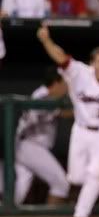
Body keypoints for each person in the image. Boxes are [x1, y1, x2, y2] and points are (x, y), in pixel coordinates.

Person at [36, 24, 99, 217]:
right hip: (81, 131)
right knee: (77, 177)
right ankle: (81, 205)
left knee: (97, 174)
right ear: (92, 64)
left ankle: (80, 216)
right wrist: (46, 40)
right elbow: (60, 57)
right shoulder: (80, 73)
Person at [14, 68, 69, 205]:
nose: (67, 87)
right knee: (61, 184)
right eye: (65, 83)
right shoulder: (43, 96)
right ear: (56, 83)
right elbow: (63, 113)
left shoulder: (42, 93)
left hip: (24, 145)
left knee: (18, 192)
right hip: (30, 146)